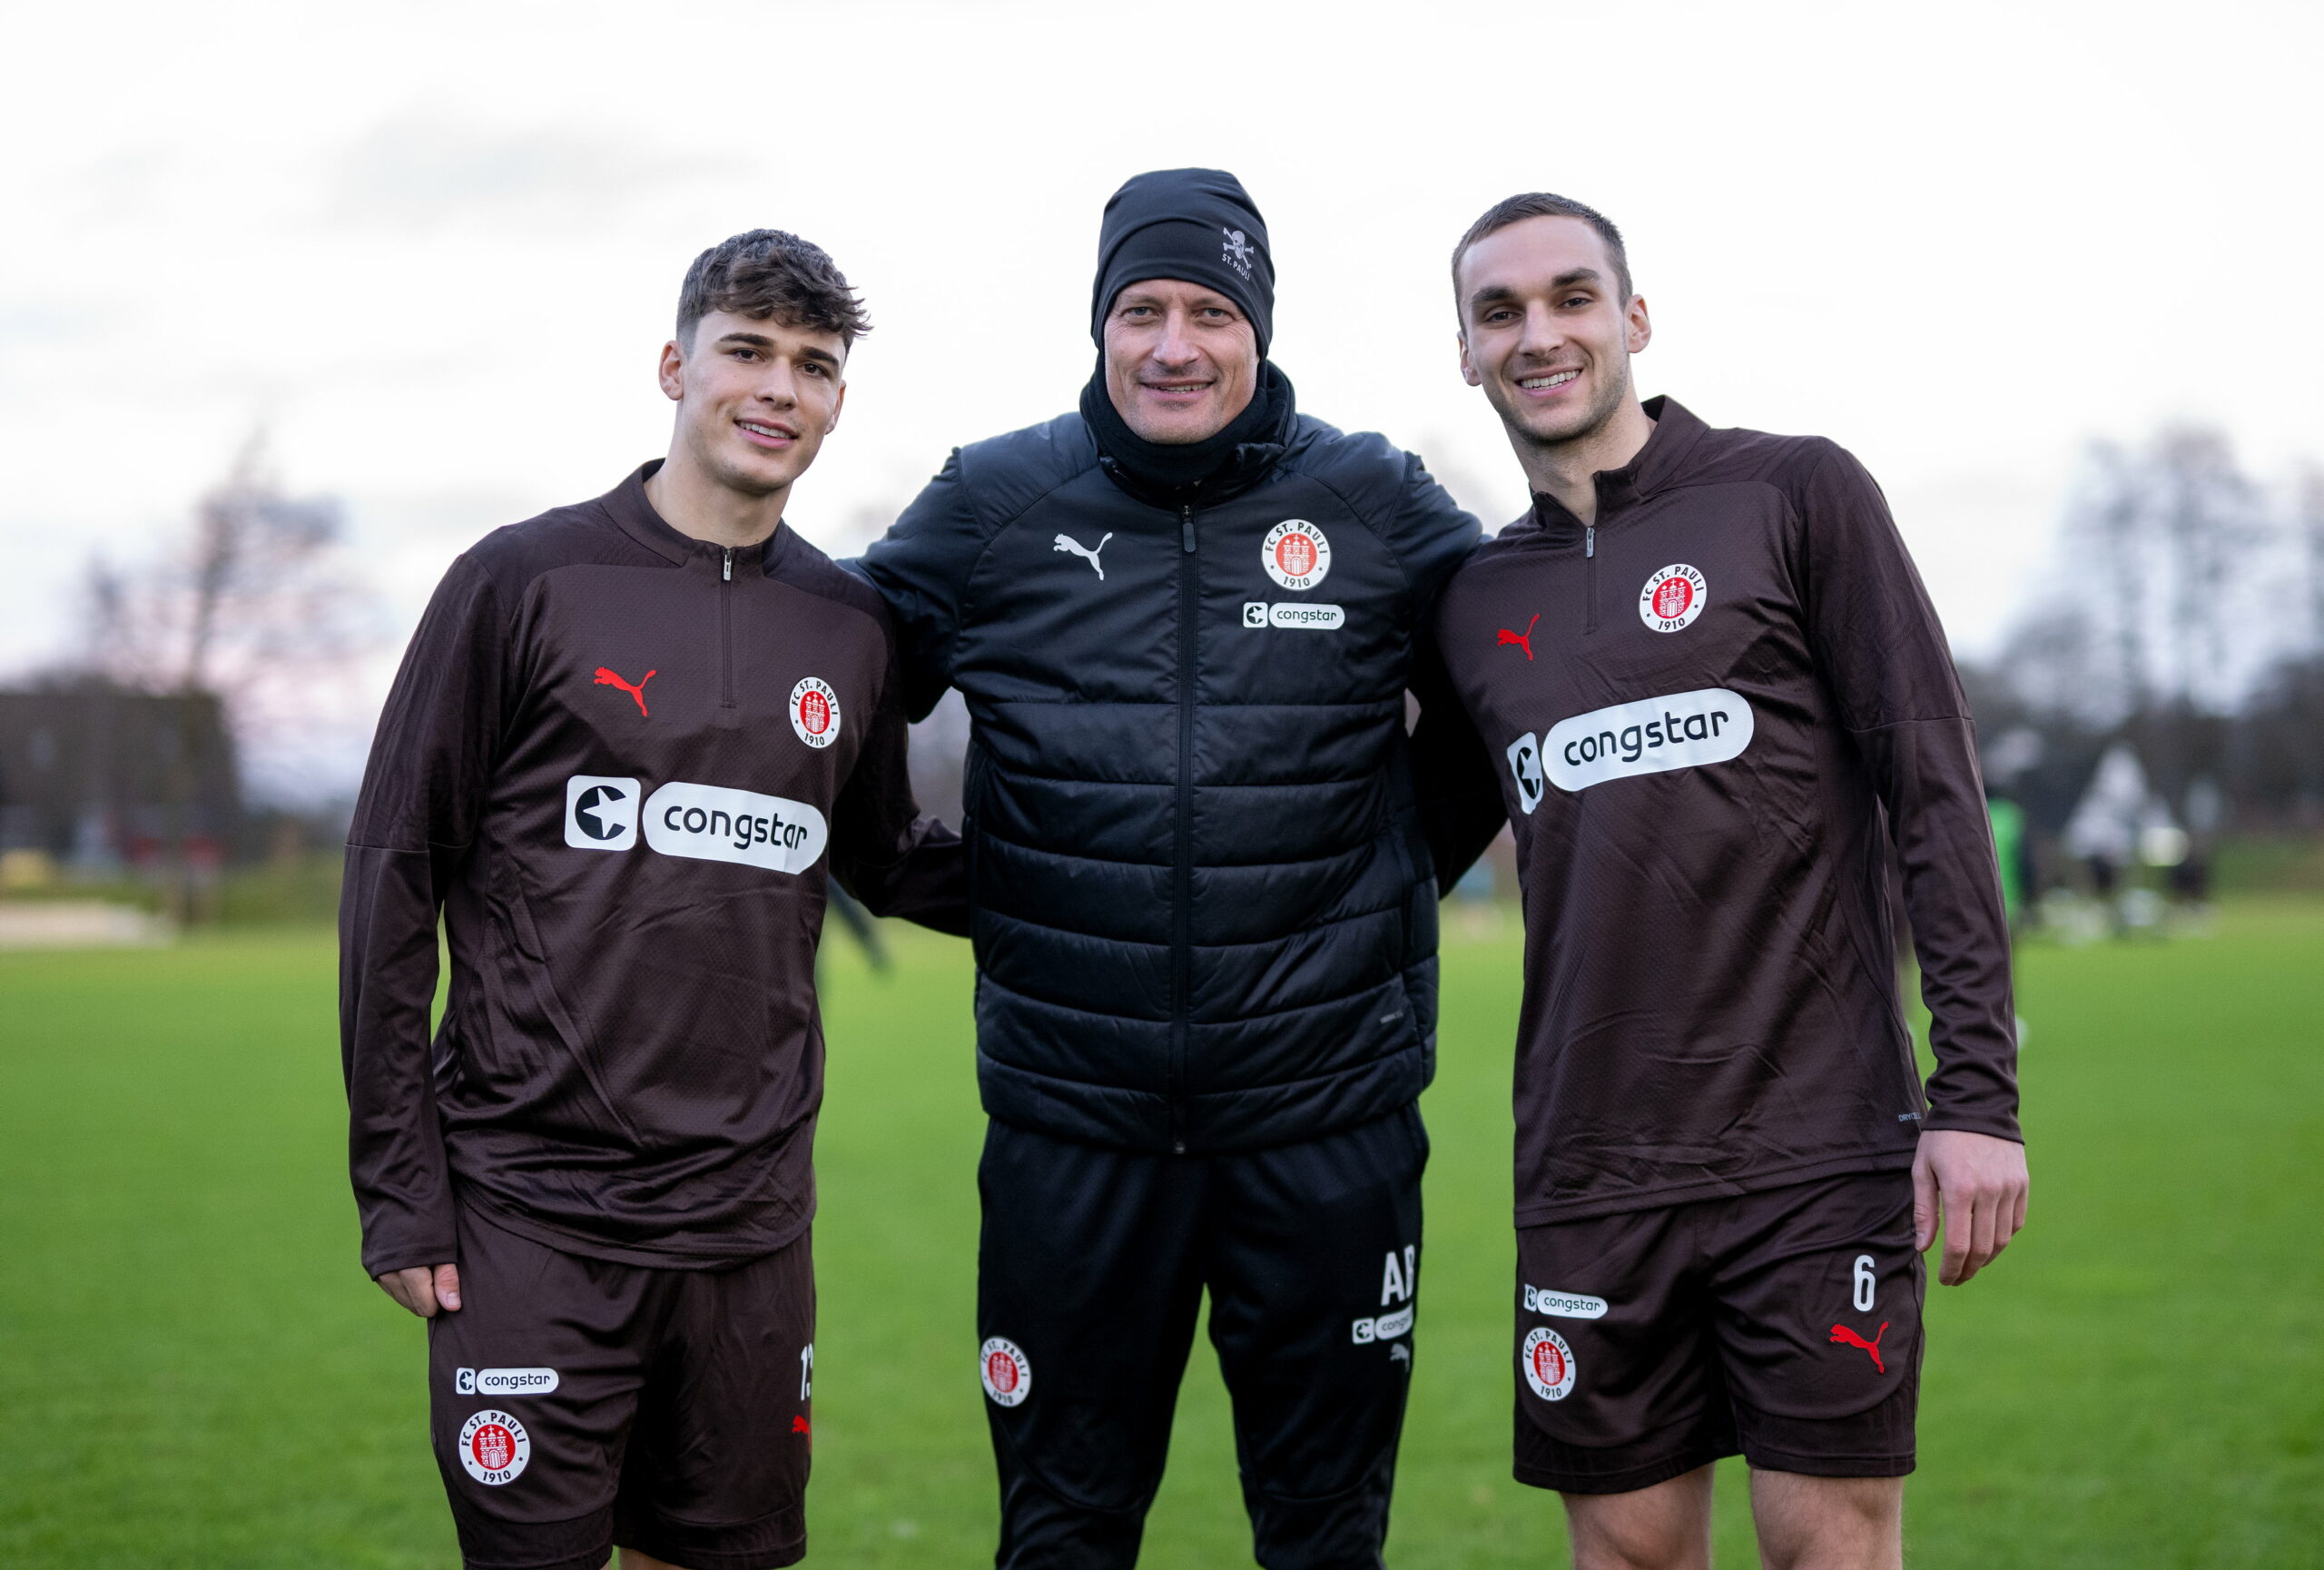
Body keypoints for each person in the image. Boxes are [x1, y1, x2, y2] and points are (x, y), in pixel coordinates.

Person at [856, 169, 1498, 1568]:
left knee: (1327, 1536)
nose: (1172, 343)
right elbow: (827, 679)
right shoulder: (993, 501)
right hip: (1072, 1140)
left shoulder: (1372, 496)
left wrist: (1387, 879)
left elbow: (1520, 672)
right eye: (1140, 307)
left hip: (1327, 1133)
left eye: (1210, 309)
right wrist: (939, 879)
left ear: (1258, 327)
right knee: (1064, 1533)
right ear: (1098, 325)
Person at [340, 229, 966, 1570]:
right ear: (677, 365)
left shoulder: (849, 627)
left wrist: (1132, 871)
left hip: (749, 1226)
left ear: (839, 398)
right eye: (748, 350)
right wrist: (401, 1189)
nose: (778, 387)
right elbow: (393, 878)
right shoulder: (523, 582)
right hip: (530, 1212)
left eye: (814, 364)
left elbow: (889, 854)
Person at [1426, 193, 2029, 1570]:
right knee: (1628, 1550)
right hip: (1589, 1164)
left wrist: (1978, 1097)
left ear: (1634, 319)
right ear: (1463, 350)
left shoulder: (1794, 495)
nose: (1541, 332)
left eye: (1573, 296)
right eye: (1500, 311)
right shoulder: (1469, 602)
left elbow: (1932, 791)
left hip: (1813, 1147)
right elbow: (1385, 853)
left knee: (1826, 1540)